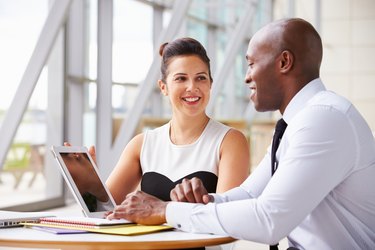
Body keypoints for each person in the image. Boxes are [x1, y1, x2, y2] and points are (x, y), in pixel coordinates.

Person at [106, 18, 375, 249]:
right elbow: (249, 194)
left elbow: (269, 219)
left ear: (284, 62)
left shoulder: (323, 119)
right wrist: (202, 202)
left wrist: (165, 210)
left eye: (251, 63)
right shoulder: (298, 123)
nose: (246, 77)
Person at [67, 37, 250, 205]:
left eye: (200, 78)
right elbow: (105, 210)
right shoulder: (142, 144)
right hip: (147, 242)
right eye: (181, 78)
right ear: (163, 87)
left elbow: (228, 217)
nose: (192, 87)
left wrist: (159, 212)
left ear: (210, 83)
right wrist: (89, 184)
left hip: (203, 242)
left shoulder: (230, 141)